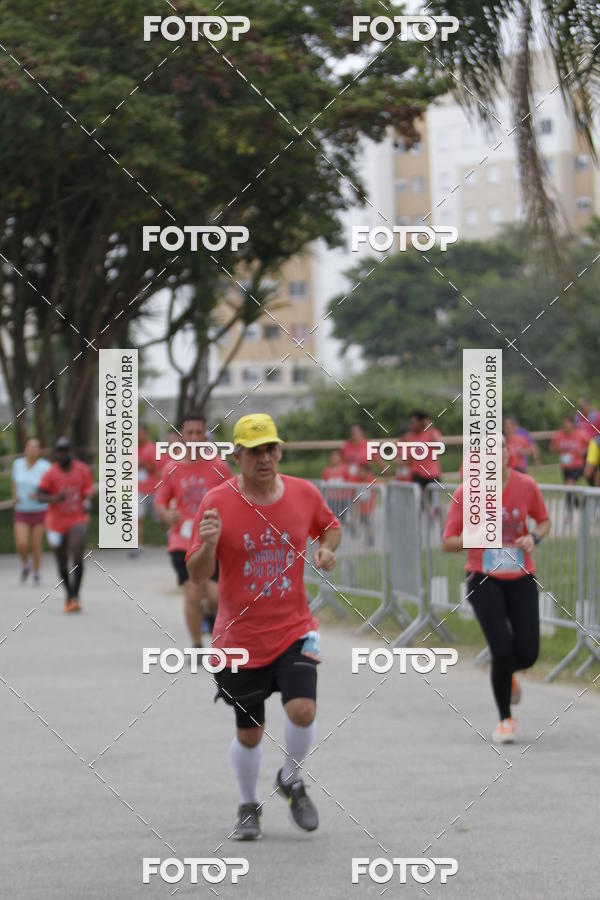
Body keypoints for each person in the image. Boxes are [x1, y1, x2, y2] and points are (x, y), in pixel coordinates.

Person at [186, 413, 341, 841]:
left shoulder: (304, 493)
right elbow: (197, 575)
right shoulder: (216, 502)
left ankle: (291, 778)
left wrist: (326, 551)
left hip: (294, 628)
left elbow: (330, 528)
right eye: (254, 451)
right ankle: (246, 803)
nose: (265, 458)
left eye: (271, 448)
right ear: (237, 456)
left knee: (302, 708)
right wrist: (211, 544)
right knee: (250, 733)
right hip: (239, 640)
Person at [442, 435, 551, 743]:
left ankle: (506, 673)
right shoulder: (467, 492)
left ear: (508, 453)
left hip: (520, 575)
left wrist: (535, 538)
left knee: (528, 653)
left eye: (500, 447)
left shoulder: (526, 485)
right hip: (483, 577)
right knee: (501, 647)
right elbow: (448, 541)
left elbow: (543, 521)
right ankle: (505, 719)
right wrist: (474, 538)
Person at [154, 412, 232, 647]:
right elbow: (160, 503)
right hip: (182, 540)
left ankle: (209, 616)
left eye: (200, 433)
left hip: (212, 542)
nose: (195, 438)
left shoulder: (218, 466)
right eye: (190, 433)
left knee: (214, 597)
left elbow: (234, 497)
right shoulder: (171, 469)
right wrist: (168, 515)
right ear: (181, 437)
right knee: (192, 592)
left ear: (205, 436)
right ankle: (197, 645)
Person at [35, 437, 94, 613]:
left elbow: (88, 490)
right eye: (59, 450)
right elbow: (39, 495)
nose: (63, 454)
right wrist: (54, 498)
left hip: (77, 518)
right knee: (61, 563)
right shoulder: (51, 473)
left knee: (77, 553)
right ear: (56, 453)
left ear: (71, 451)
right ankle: (69, 594)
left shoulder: (81, 469)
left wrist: (88, 501)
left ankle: (76, 595)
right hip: (55, 523)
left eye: (66, 450)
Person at [3, 438, 51, 583]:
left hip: (39, 510)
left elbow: (50, 487)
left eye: (34, 447)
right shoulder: (17, 464)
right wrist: (14, 495)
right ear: (25, 449)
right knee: (22, 544)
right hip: (22, 510)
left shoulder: (45, 466)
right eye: (29, 447)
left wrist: (38, 495)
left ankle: (36, 572)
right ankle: (25, 565)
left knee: (36, 544)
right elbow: (14, 482)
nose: (31, 449)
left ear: (39, 451)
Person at [134, 424, 160, 554]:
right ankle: (137, 544)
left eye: (140, 432)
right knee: (137, 517)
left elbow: (157, 470)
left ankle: (172, 536)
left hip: (153, 489)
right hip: (138, 489)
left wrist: (145, 465)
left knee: (159, 517)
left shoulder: (152, 449)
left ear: (145, 433)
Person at [550, 417, 588, 486]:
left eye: (567, 423)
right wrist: (557, 448)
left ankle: (570, 496)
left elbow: (591, 446)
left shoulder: (581, 434)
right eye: (564, 423)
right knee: (569, 486)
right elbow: (552, 449)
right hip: (565, 466)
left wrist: (584, 451)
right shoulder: (559, 435)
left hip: (577, 465)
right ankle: (576, 497)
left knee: (570, 484)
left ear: (572, 424)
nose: (565, 425)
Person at [321, 449, 352, 520]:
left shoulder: (345, 468)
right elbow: (324, 483)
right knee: (332, 519)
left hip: (342, 499)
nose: (334, 457)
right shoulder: (326, 470)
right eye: (332, 455)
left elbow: (350, 481)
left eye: (336, 455)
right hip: (331, 499)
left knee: (342, 519)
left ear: (340, 457)